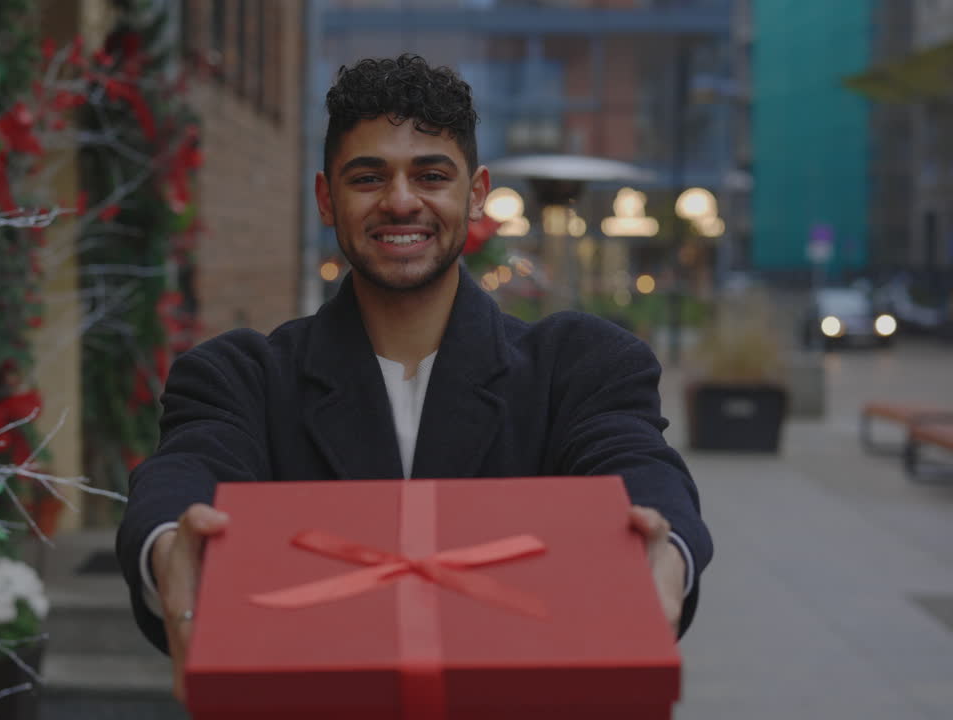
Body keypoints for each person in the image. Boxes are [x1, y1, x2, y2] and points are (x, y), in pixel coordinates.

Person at [116, 54, 713, 701]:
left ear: (476, 194)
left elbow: (635, 463)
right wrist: (169, 545)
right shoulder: (240, 376)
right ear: (325, 198)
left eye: (431, 175)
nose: (401, 201)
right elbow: (186, 469)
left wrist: (667, 551)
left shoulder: (579, 365)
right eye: (368, 177)